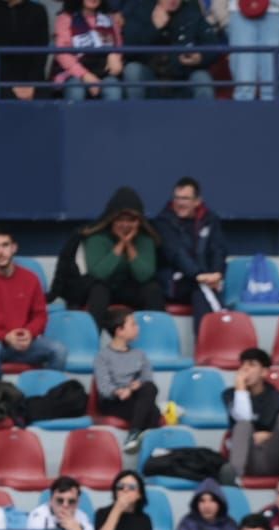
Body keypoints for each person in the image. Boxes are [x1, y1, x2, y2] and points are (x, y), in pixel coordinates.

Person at [52, 187, 161, 322]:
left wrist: (129, 245)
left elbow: (144, 275)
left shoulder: (145, 239)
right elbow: (98, 273)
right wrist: (121, 244)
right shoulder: (97, 237)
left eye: (131, 220)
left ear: (139, 221)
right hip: (101, 287)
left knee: (152, 289)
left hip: (129, 288)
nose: (125, 225)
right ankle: (92, 336)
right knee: (99, 289)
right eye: (120, 220)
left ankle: (153, 334)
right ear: (111, 220)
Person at [0, 228, 65, 378]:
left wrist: (29, 333)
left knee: (59, 350)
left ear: (14, 248)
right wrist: (6, 336)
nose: (0, 251)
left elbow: (40, 315)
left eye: (5, 245)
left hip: (25, 343)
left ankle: (48, 397)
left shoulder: (31, 279)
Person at [152, 176, 226, 323]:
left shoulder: (210, 219)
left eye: (185, 198)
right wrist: (199, 276)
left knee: (201, 292)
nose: (180, 203)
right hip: (172, 283)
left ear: (197, 201)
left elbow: (218, 249)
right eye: (177, 198)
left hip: (204, 283)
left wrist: (216, 274)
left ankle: (204, 343)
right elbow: (176, 253)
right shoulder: (163, 222)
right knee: (202, 289)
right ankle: (218, 331)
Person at [225, 347, 279, 481]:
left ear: (264, 372)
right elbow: (244, 419)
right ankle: (234, 477)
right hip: (247, 456)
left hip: (273, 456)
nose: (245, 370)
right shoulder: (231, 394)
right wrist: (241, 388)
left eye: (251, 365)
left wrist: (269, 435)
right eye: (243, 365)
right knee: (243, 426)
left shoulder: (277, 397)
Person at [94, 311, 161, 453]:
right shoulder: (103, 356)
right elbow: (104, 387)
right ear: (119, 331)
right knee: (153, 413)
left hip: (135, 396)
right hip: (114, 401)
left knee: (150, 388)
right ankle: (154, 450)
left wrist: (134, 386)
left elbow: (147, 378)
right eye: (133, 324)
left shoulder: (140, 354)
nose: (138, 328)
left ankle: (134, 433)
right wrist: (118, 391)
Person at [53, 0, 125, 103]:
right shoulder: (66, 18)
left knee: (113, 89)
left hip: (103, 72)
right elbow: (63, 53)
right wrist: (85, 75)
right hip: (74, 73)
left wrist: (115, 55)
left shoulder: (109, 18)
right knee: (76, 89)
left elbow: (118, 46)